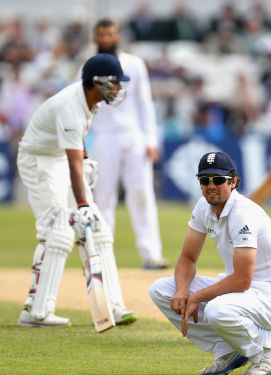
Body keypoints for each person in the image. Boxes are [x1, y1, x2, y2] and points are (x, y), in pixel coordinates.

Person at [17, 53, 137, 327]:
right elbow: (71, 161)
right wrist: (82, 205)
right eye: (115, 83)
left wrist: (85, 160)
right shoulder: (70, 107)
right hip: (39, 160)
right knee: (59, 229)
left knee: (98, 230)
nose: (119, 88)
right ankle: (36, 312)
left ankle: (114, 306)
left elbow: (76, 147)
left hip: (60, 157)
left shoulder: (91, 101)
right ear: (99, 82)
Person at [149, 151, 271, 375]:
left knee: (218, 310)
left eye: (218, 180)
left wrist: (195, 296)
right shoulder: (202, 207)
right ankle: (228, 350)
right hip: (243, 294)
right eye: (204, 180)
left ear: (233, 181)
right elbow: (187, 258)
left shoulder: (242, 214)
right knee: (161, 290)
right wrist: (182, 290)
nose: (211, 186)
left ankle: (266, 345)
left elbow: (242, 279)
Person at [87, 19, 169, 269]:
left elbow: (145, 103)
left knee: (142, 193)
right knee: (103, 197)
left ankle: (151, 254)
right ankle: (101, 256)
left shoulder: (134, 63)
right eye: (103, 35)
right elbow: (84, 105)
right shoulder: (88, 66)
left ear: (117, 36)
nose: (108, 38)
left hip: (133, 135)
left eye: (111, 34)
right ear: (96, 38)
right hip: (104, 136)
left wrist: (151, 140)